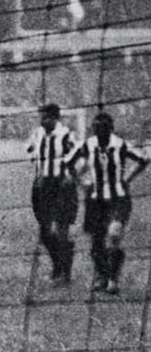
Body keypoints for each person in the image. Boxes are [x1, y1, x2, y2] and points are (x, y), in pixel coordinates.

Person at [63, 111, 149, 295]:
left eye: (103, 128)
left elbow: (143, 159)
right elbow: (68, 162)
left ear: (110, 129)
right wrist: (81, 182)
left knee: (114, 233)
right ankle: (102, 276)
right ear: (93, 129)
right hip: (96, 200)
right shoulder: (87, 144)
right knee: (96, 242)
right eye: (96, 128)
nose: (99, 131)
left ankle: (113, 279)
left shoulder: (120, 144)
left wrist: (128, 177)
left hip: (119, 198)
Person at [26, 103, 79, 285]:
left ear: (55, 117)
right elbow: (30, 151)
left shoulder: (66, 135)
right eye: (41, 116)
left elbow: (78, 155)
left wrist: (70, 176)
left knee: (62, 230)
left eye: (46, 117)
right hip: (43, 185)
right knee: (45, 232)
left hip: (62, 185)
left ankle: (65, 273)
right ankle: (58, 265)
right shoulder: (38, 133)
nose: (43, 120)